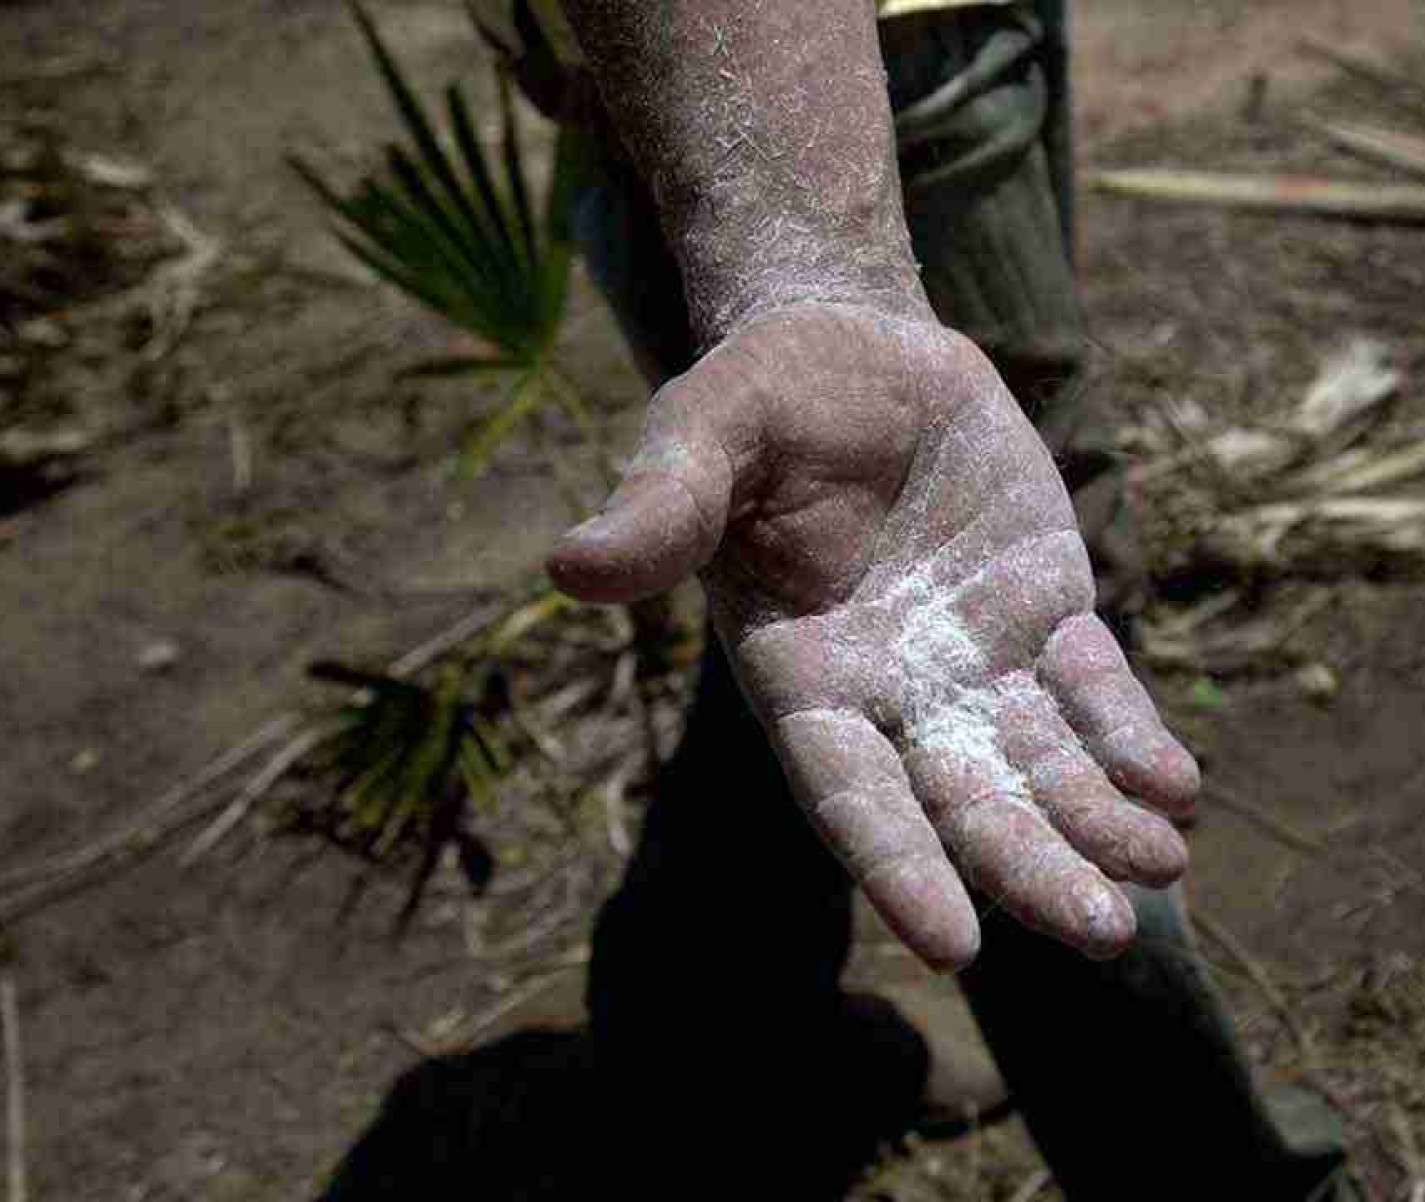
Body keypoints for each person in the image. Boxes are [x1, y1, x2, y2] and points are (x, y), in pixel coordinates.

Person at [469, 2, 1354, 1196]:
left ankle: (708, 1049)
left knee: (831, 620)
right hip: (799, 65)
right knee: (994, 680)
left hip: (862, 42)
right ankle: (1204, 1176)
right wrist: (814, 274)